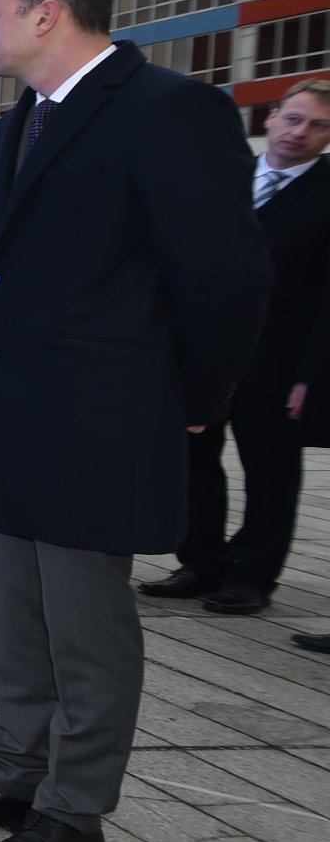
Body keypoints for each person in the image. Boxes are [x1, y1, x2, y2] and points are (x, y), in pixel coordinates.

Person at [0, 0, 267, 842]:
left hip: (100, 421)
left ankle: (73, 812)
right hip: (15, 415)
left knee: (86, 632)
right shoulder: (30, 117)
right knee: (15, 619)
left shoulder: (171, 110)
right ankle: (12, 776)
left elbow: (223, 277)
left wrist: (194, 406)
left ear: (48, 14)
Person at [138, 79, 330, 616]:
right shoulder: (225, 178)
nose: (301, 132)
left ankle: (251, 575)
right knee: (195, 457)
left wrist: (311, 375)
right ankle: (201, 561)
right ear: (271, 117)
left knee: (270, 471)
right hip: (208, 347)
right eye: (294, 118)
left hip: (279, 358)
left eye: (318, 125)